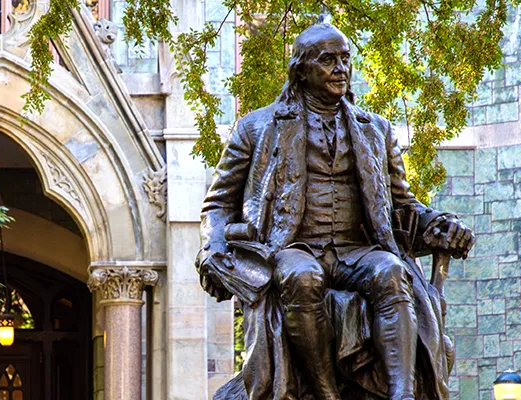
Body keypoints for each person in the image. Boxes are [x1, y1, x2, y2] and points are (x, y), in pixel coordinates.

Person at [196, 22, 475, 400]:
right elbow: (219, 202)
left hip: (357, 249)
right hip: (293, 247)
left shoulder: (375, 129)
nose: (340, 69)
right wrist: (212, 249)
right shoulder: (257, 127)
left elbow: (403, 207)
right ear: (301, 69)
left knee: (392, 272)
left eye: (345, 59)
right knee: (302, 277)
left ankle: (402, 393)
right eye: (327, 60)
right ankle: (325, 391)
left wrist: (439, 225)